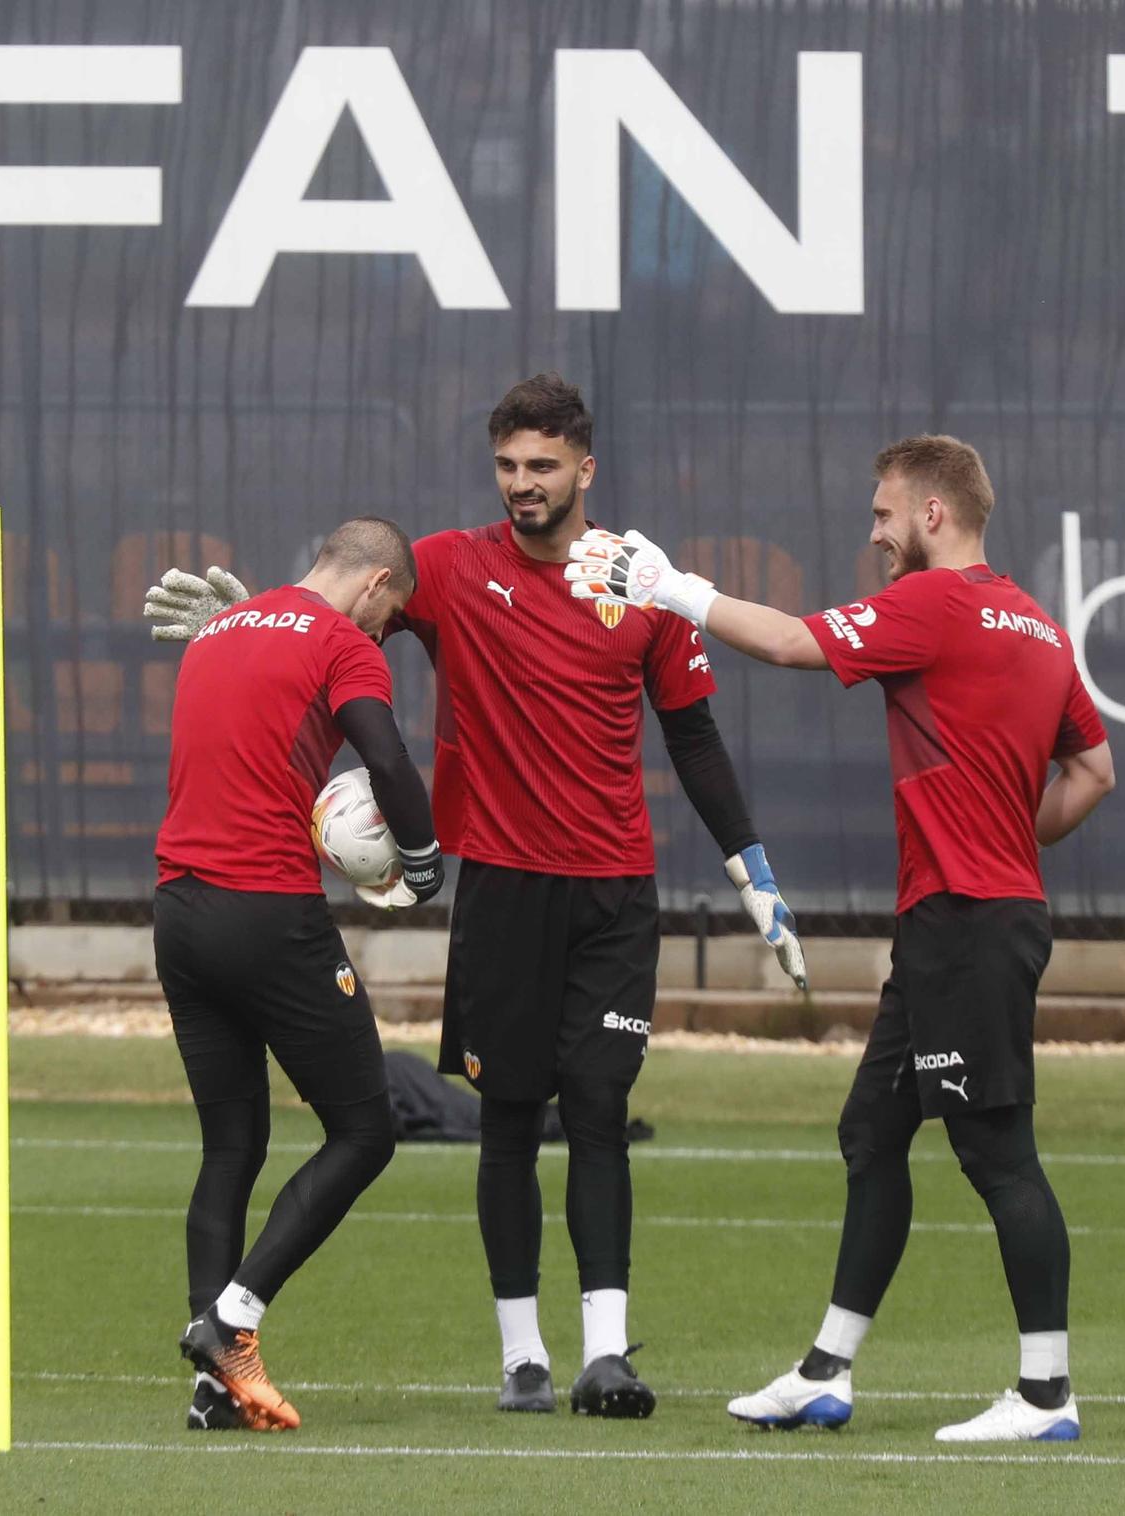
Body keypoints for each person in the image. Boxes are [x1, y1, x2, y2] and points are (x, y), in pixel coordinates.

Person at [143, 373, 807, 1418]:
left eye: (541, 467)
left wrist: (748, 863)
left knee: (595, 1105)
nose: (521, 485)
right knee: (507, 1116)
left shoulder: (639, 578)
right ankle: (521, 1360)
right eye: (506, 466)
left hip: (614, 892)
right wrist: (254, 624)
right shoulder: (451, 568)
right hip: (499, 885)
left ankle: (604, 1353)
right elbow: (341, 610)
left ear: (584, 469)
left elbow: (691, 734)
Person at [566, 434, 1115, 1443]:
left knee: (997, 1155)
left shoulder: (935, 603)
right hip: (966, 914)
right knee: (870, 1134)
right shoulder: (1036, 624)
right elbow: (1093, 772)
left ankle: (1046, 1394)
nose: (873, 533)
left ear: (932, 515)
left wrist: (669, 586)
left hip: (965, 920)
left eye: (880, 514)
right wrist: (1004, 831)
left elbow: (785, 644)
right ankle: (825, 1372)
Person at [154, 517, 444, 1432]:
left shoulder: (219, 633)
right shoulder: (340, 640)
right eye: (392, 615)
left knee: (230, 1148)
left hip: (179, 912)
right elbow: (385, 756)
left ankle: (215, 1386)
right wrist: (427, 861)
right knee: (365, 1130)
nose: (386, 631)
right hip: (267, 915)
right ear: (375, 584)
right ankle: (233, 1321)